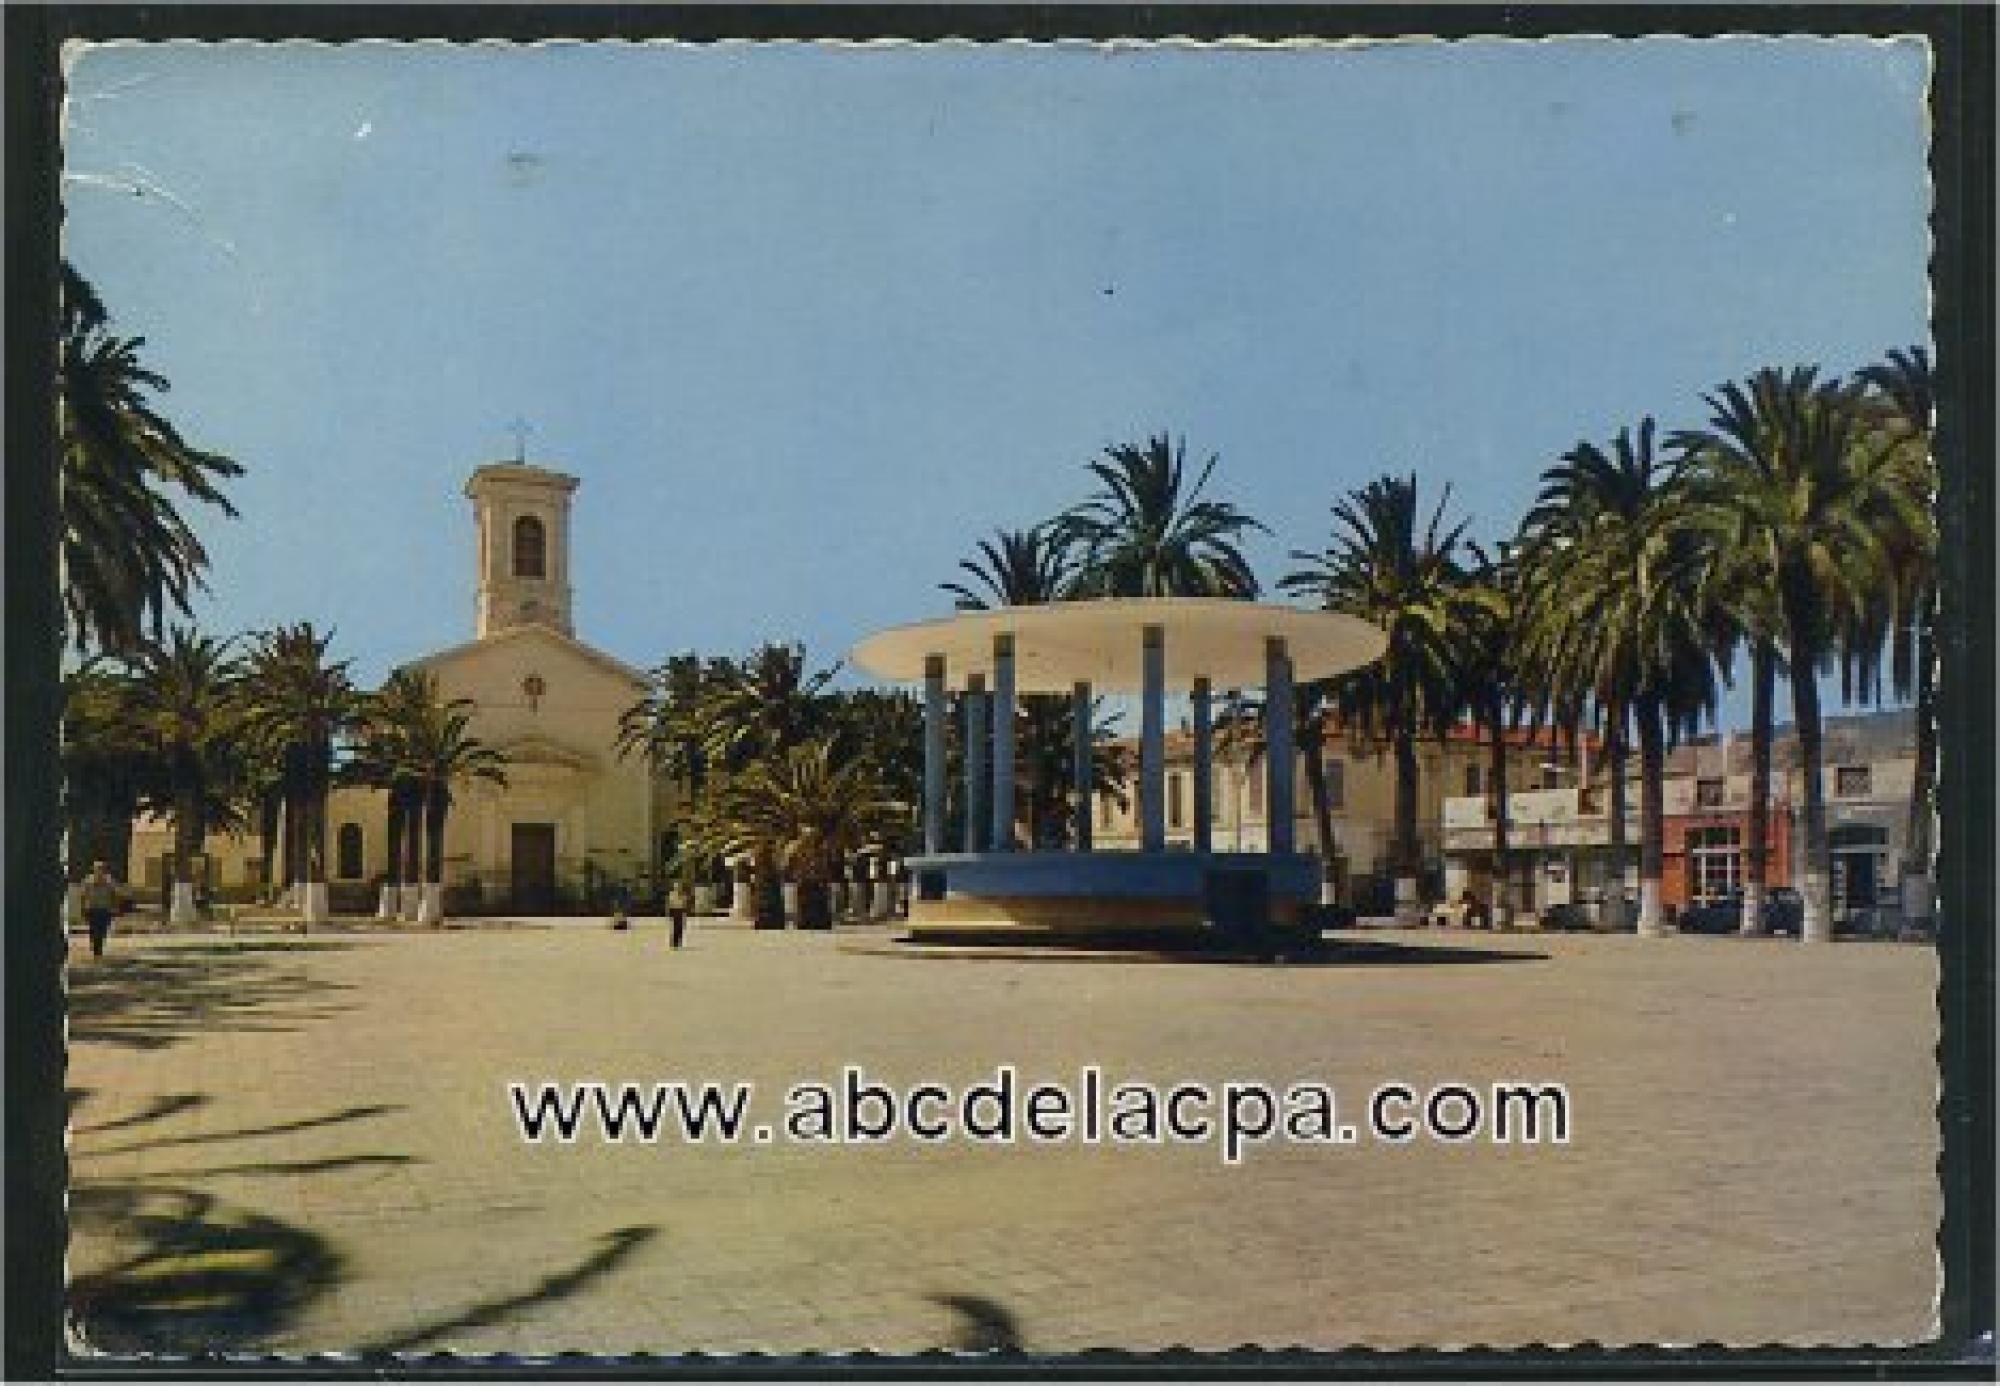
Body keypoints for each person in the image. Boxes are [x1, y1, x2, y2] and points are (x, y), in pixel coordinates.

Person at [81, 861, 121, 959]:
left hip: (105, 909)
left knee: (103, 929)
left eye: (101, 869)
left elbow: (115, 894)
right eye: (97, 869)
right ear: (94, 870)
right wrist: (83, 908)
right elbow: (83, 895)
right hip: (92, 908)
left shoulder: (109, 880)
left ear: (104, 870)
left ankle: (99, 945)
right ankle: (96, 947)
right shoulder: (88, 880)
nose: (99, 871)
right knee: (93, 929)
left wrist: (115, 907)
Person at [667, 879, 691, 949]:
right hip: (675, 911)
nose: (677, 888)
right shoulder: (672, 894)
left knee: (680, 928)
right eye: (676, 887)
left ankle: (679, 942)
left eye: (678, 887)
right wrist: (670, 913)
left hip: (680, 911)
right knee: (675, 928)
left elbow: (685, 904)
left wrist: (685, 912)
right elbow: (670, 904)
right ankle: (674, 943)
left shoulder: (683, 894)